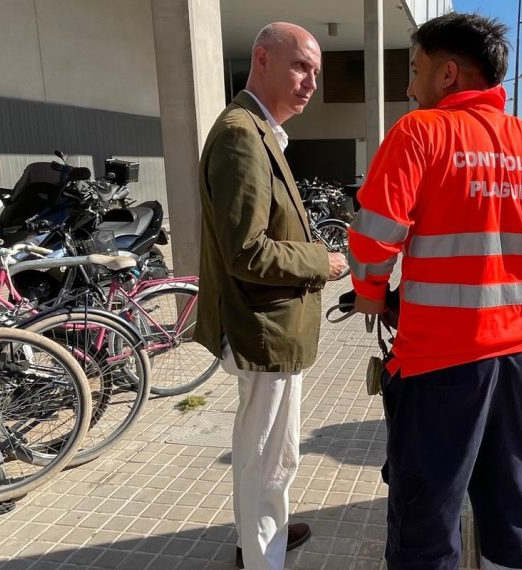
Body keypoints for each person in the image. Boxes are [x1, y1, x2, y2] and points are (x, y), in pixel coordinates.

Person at [349, 13, 522, 569]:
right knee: (513, 509)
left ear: (447, 75)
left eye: (415, 70)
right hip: (519, 362)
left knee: (427, 515)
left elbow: (373, 238)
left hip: (438, 366)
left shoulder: (419, 133)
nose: (408, 85)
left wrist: (371, 293)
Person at [194, 22, 348, 570]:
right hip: (263, 326)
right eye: (301, 66)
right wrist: (322, 262)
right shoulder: (242, 134)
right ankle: (263, 557)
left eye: (316, 73)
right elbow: (247, 252)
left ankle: (260, 534)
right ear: (261, 59)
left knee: (263, 449)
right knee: (270, 456)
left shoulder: (260, 131)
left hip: (270, 323)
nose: (311, 83)